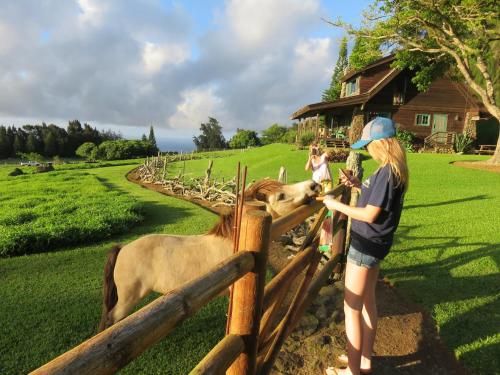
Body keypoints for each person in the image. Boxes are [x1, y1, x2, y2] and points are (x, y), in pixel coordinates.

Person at [322, 117, 409, 375]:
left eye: (369, 144)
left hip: (365, 245)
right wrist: (359, 186)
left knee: (352, 309)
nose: (368, 149)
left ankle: (352, 371)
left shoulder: (387, 172)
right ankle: (364, 360)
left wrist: (335, 205)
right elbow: (380, 202)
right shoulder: (394, 169)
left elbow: (370, 215)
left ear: (381, 143)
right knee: (368, 302)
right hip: (377, 245)